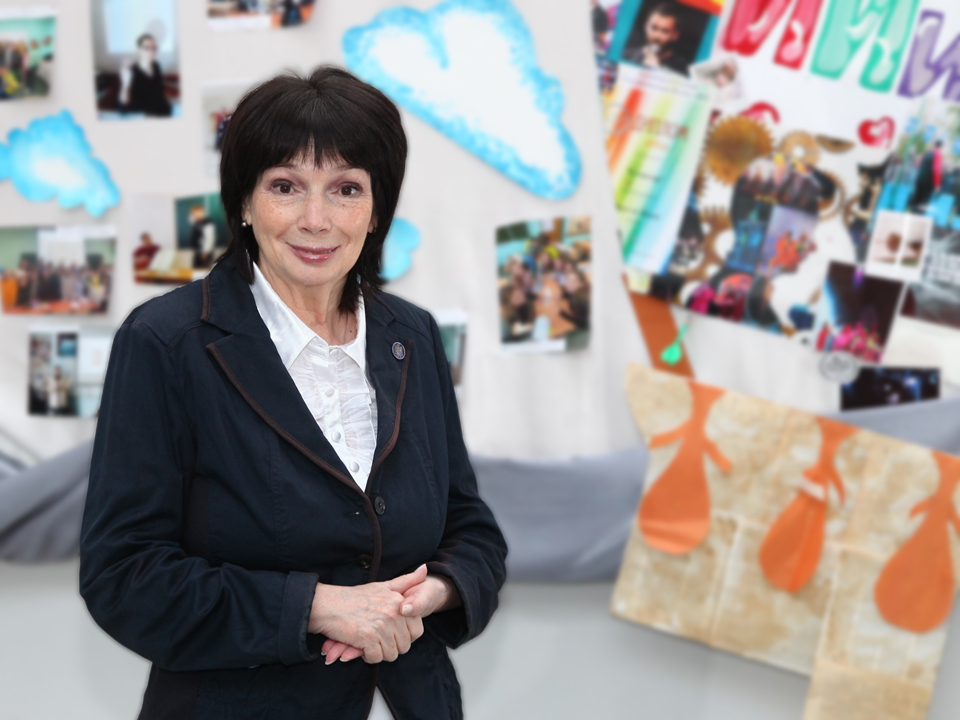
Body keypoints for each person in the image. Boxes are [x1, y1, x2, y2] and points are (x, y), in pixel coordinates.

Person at [79, 66, 507, 720]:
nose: (316, 219)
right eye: (285, 186)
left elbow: (471, 528)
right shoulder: (166, 342)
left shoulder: (412, 333)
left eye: (346, 189)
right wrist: (316, 607)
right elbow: (123, 575)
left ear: (376, 210)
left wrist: (433, 593)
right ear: (244, 203)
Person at [622, 2, 690, 76]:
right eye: (653, 28)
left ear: (675, 35)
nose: (657, 36)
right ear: (646, 26)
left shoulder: (684, 69)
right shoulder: (625, 55)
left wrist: (657, 71)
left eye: (665, 31)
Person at [118, 33, 172, 117]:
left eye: (154, 48)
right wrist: (125, 84)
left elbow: (159, 92)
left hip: (160, 113)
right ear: (138, 50)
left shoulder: (156, 65)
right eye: (146, 48)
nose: (151, 51)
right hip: (143, 116)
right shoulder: (131, 71)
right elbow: (122, 108)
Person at [910, 140, 943, 212]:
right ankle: (918, 216)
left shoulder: (927, 153)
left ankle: (912, 214)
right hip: (928, 182)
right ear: (941, 147)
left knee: (917, 200)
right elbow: (936, 170)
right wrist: (937, 185)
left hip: (919, 179)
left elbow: (917, 164)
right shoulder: (938, 154)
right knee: (923, 203)